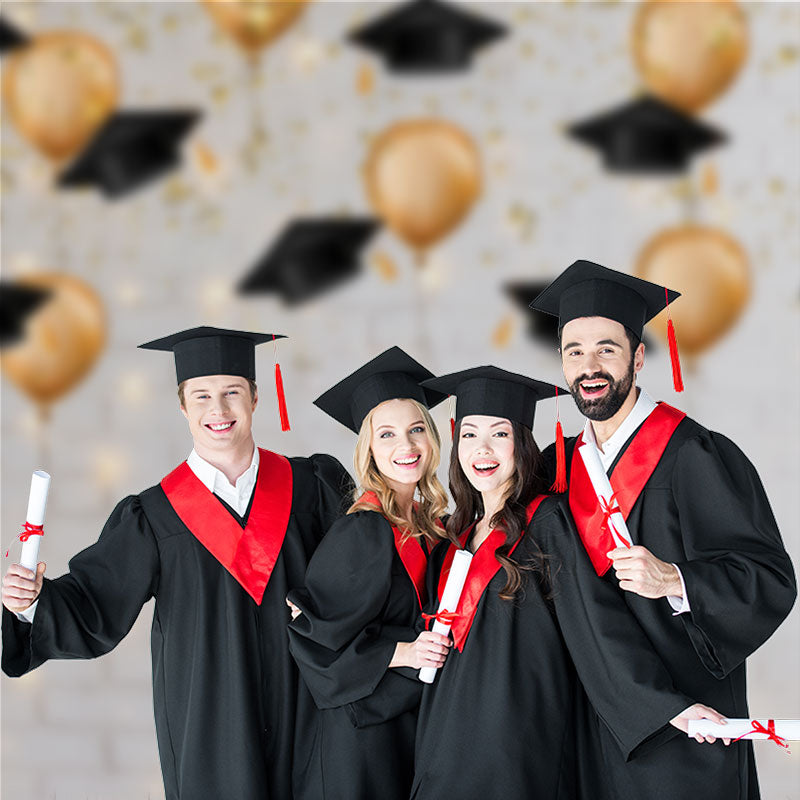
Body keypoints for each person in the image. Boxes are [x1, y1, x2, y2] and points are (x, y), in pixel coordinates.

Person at [1, 326, 353, 800]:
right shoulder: (154, 515)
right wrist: (31, 604)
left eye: (232, 392)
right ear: (183, 406)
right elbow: (92, 603)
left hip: (311, 710)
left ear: (255, 397)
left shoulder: (312, 486)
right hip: (211, 725)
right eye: (201, 396)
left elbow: (362, 576)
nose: (219, 410)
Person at [530, 260, 797, 800]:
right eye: (573, 351)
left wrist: (676, 578)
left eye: (606, 347)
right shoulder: (554, 464)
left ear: (639, 356)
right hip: (589, 715)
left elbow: (770, 579)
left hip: (684, 719)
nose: (589, 366)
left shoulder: (694, 454)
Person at [411, 365, 725, 800]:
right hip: (445, 739)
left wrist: (668, 707)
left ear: (521, 444)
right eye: (469, 435)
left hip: (517, 740)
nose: (482, 449)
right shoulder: (452, 537)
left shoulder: (546, 521)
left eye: (499, 434)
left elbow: (594, 621)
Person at [286, 346, 452, 800]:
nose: (407, 446)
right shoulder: (363, 530)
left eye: (416, 429)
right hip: (360, 738)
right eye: (387, 435)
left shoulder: (430, 523)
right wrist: (403, 652)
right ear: (369, 449)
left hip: (407, 719)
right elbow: (313, 640)